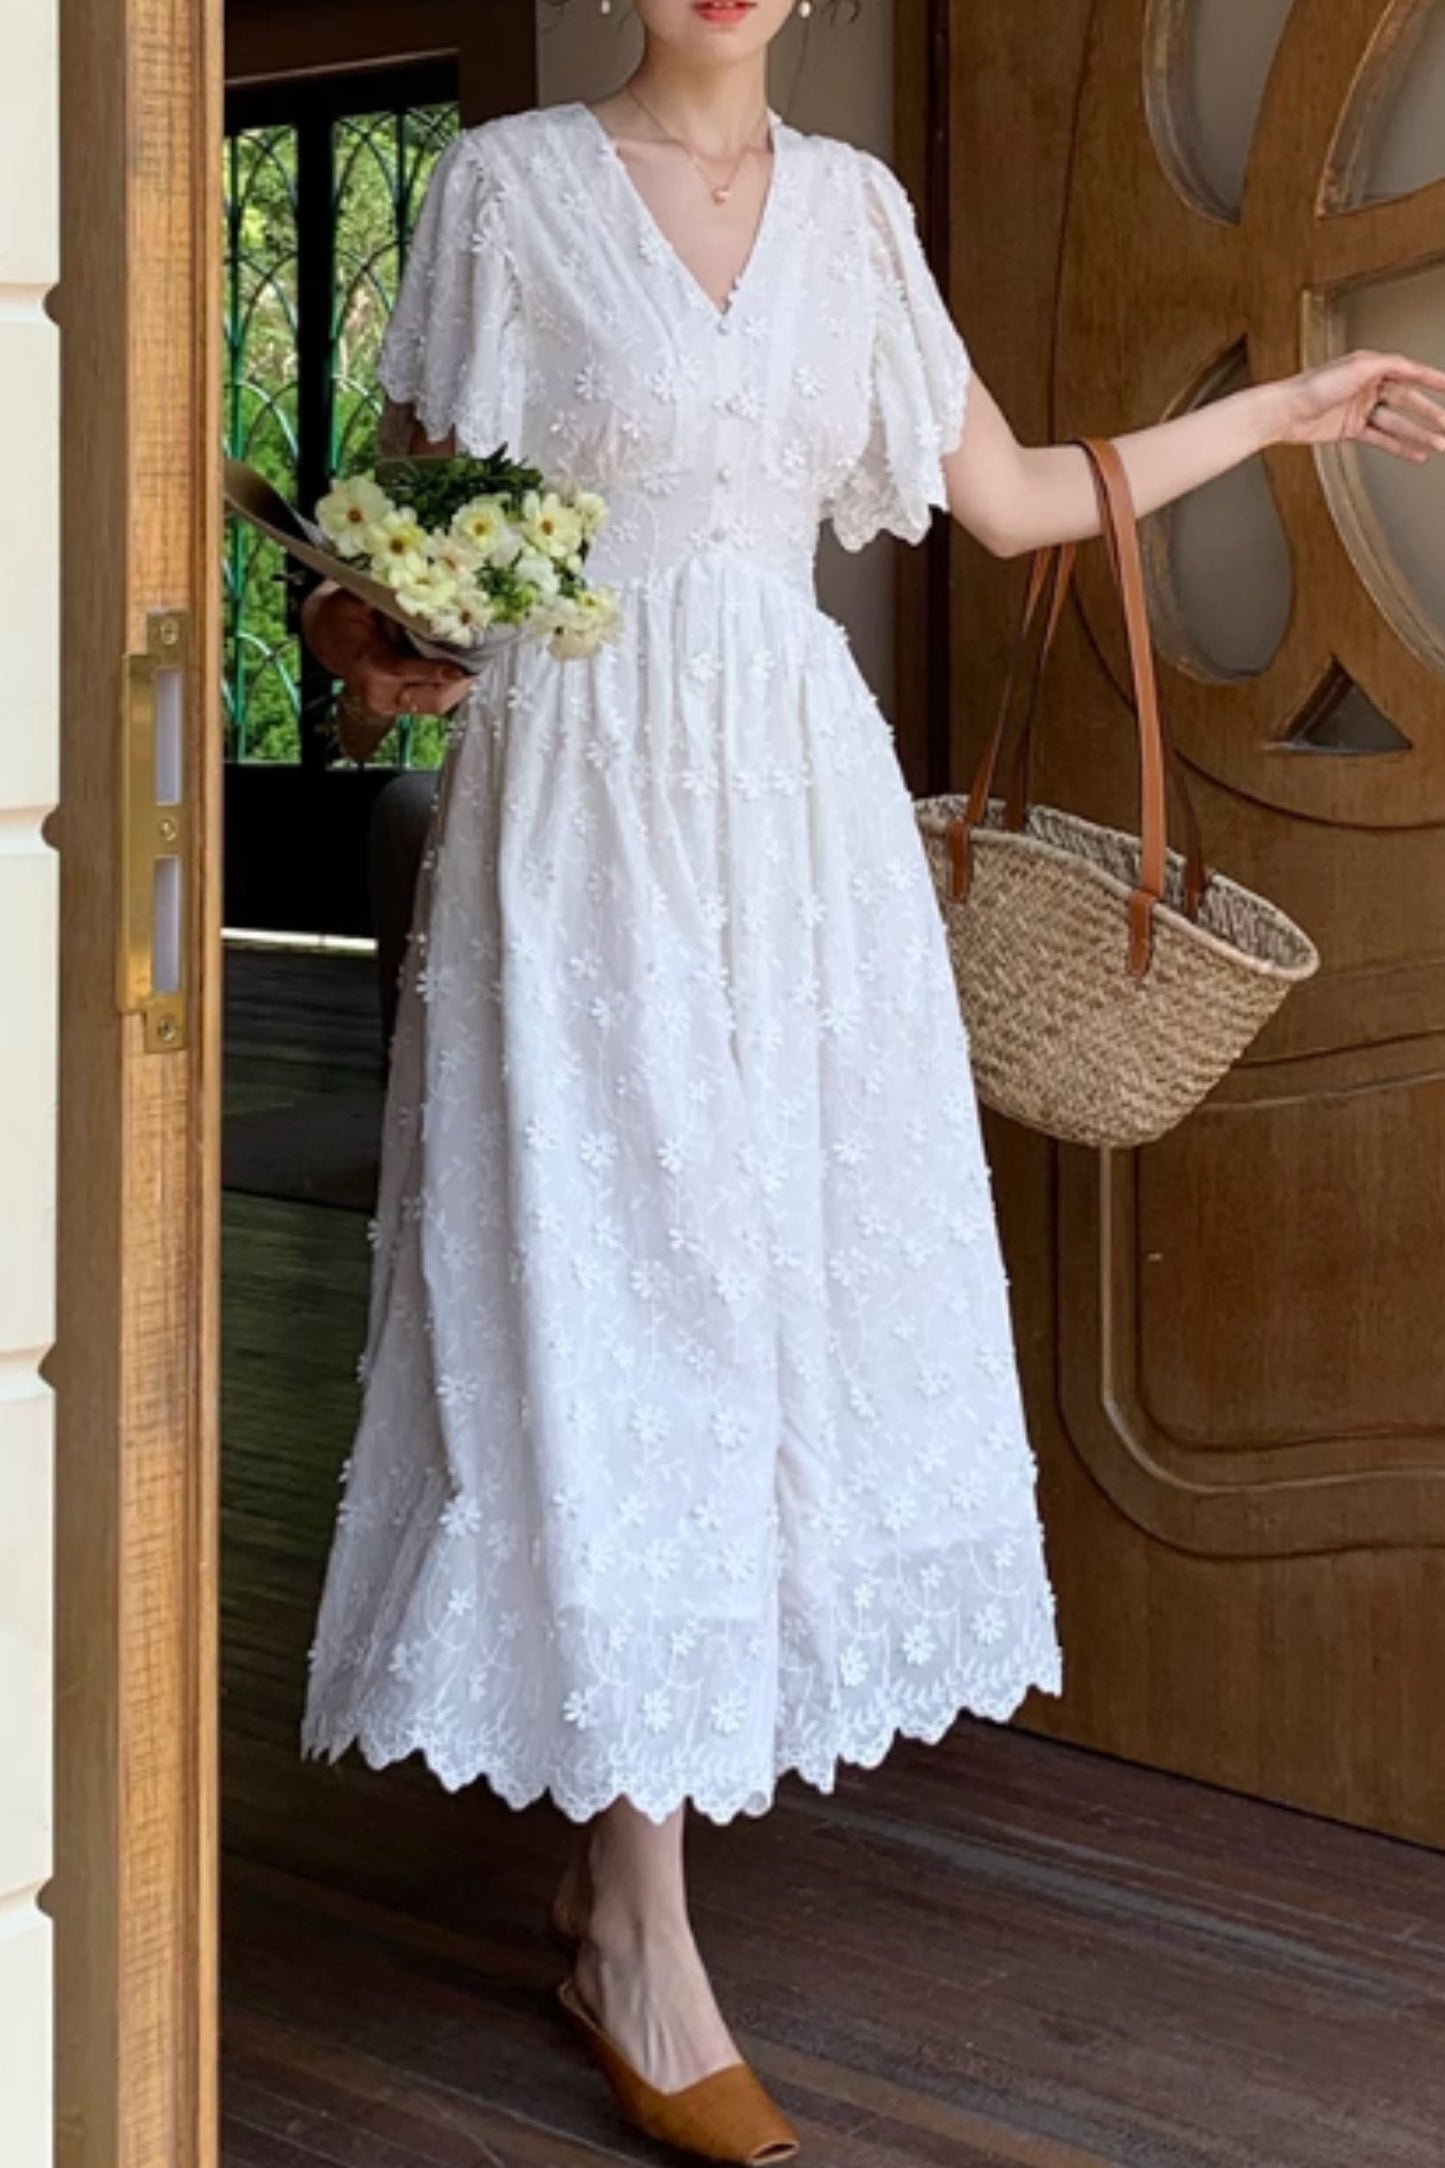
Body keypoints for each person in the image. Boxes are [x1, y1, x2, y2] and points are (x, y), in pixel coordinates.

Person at [297, 6, 1445, 2159]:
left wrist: (1286, 406)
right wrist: (387, 642)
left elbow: (1011, 503)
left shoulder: (858, 213)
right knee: (621, 1301)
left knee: (767, 1296)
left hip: (801, 830)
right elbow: (397, 555)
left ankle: (615, 1885)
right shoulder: (502, 191)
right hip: (581, 816)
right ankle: (642, 1931)